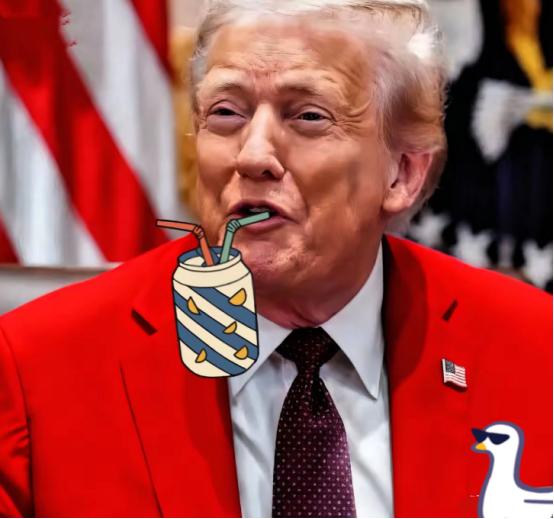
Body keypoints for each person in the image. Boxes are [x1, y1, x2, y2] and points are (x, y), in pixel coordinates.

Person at [0, 0, 551, 517]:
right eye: (225, 113)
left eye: (307, 116)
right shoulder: (36, 369)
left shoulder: (535, 350)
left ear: (401, 173)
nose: (253, 154)